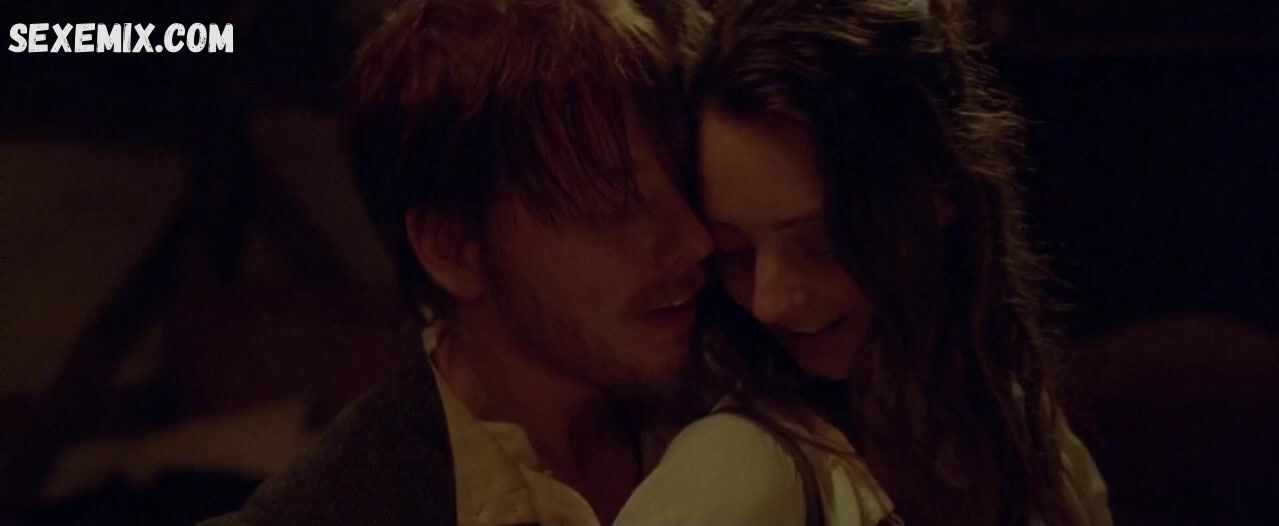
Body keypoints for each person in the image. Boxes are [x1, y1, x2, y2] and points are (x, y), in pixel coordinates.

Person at [201, 0, 712, 524]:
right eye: (611, 205)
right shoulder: (340, 507)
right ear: (453, 250)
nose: (695, 239)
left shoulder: (723, 391)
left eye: (687, 180)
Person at [616, 0, 1113, 525]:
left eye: (822, 243)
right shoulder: (739, 473)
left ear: (939, 193)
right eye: (735, 252)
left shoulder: (1018, 425)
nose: (770, 303)